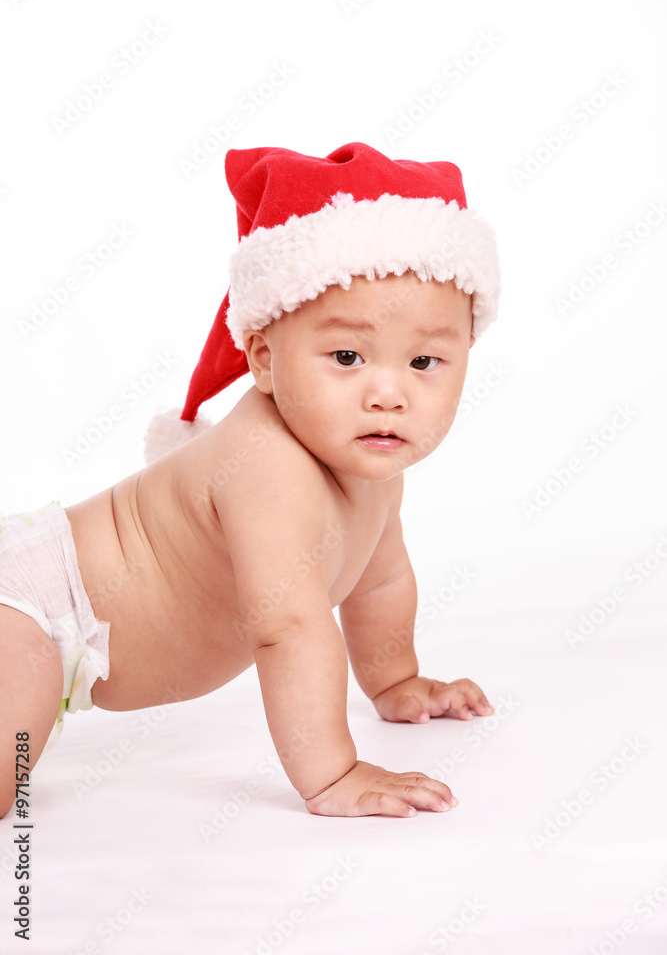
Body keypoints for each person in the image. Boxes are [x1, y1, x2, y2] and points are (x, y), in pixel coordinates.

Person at [0, 141, 501, 819]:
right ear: (263, 359)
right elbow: (287, 624)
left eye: (424, 361)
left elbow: (378, 579)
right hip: (28, 610)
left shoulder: (371, 464)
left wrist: (396, 681)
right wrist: (332, 773)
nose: (388, 393)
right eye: (347, 356)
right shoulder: (268, 463)